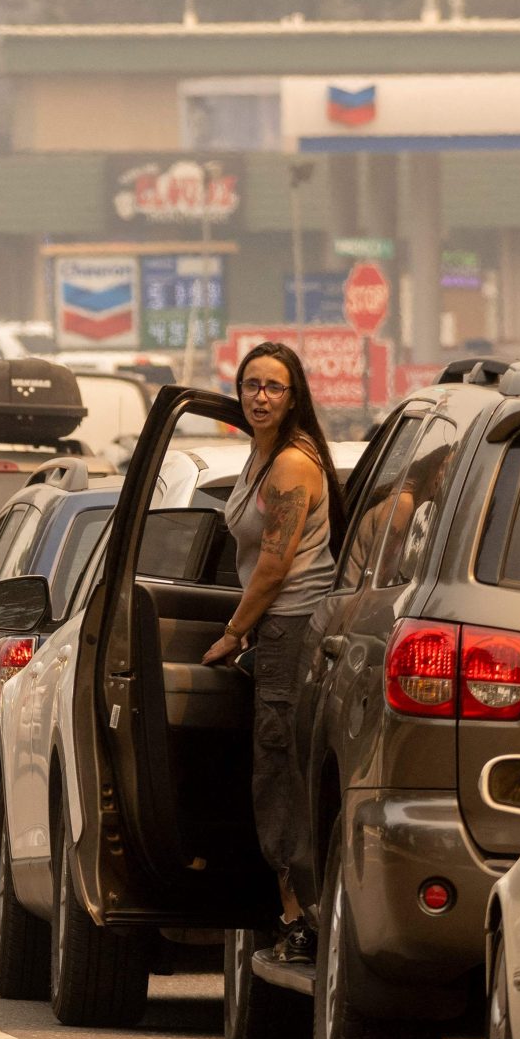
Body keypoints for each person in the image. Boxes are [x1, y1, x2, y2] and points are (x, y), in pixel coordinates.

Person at [202, 341, 340, 965]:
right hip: (276, 630)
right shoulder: (261, 458)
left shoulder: (292, 465)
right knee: (273, 768)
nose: (260, 396)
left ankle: (301, 918)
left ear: (294, 395)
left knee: (279, 771)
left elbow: (275, 565)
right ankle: (292, 909)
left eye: (273, 387)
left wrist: (234, 631)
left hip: (290, 626)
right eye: (251, 385)